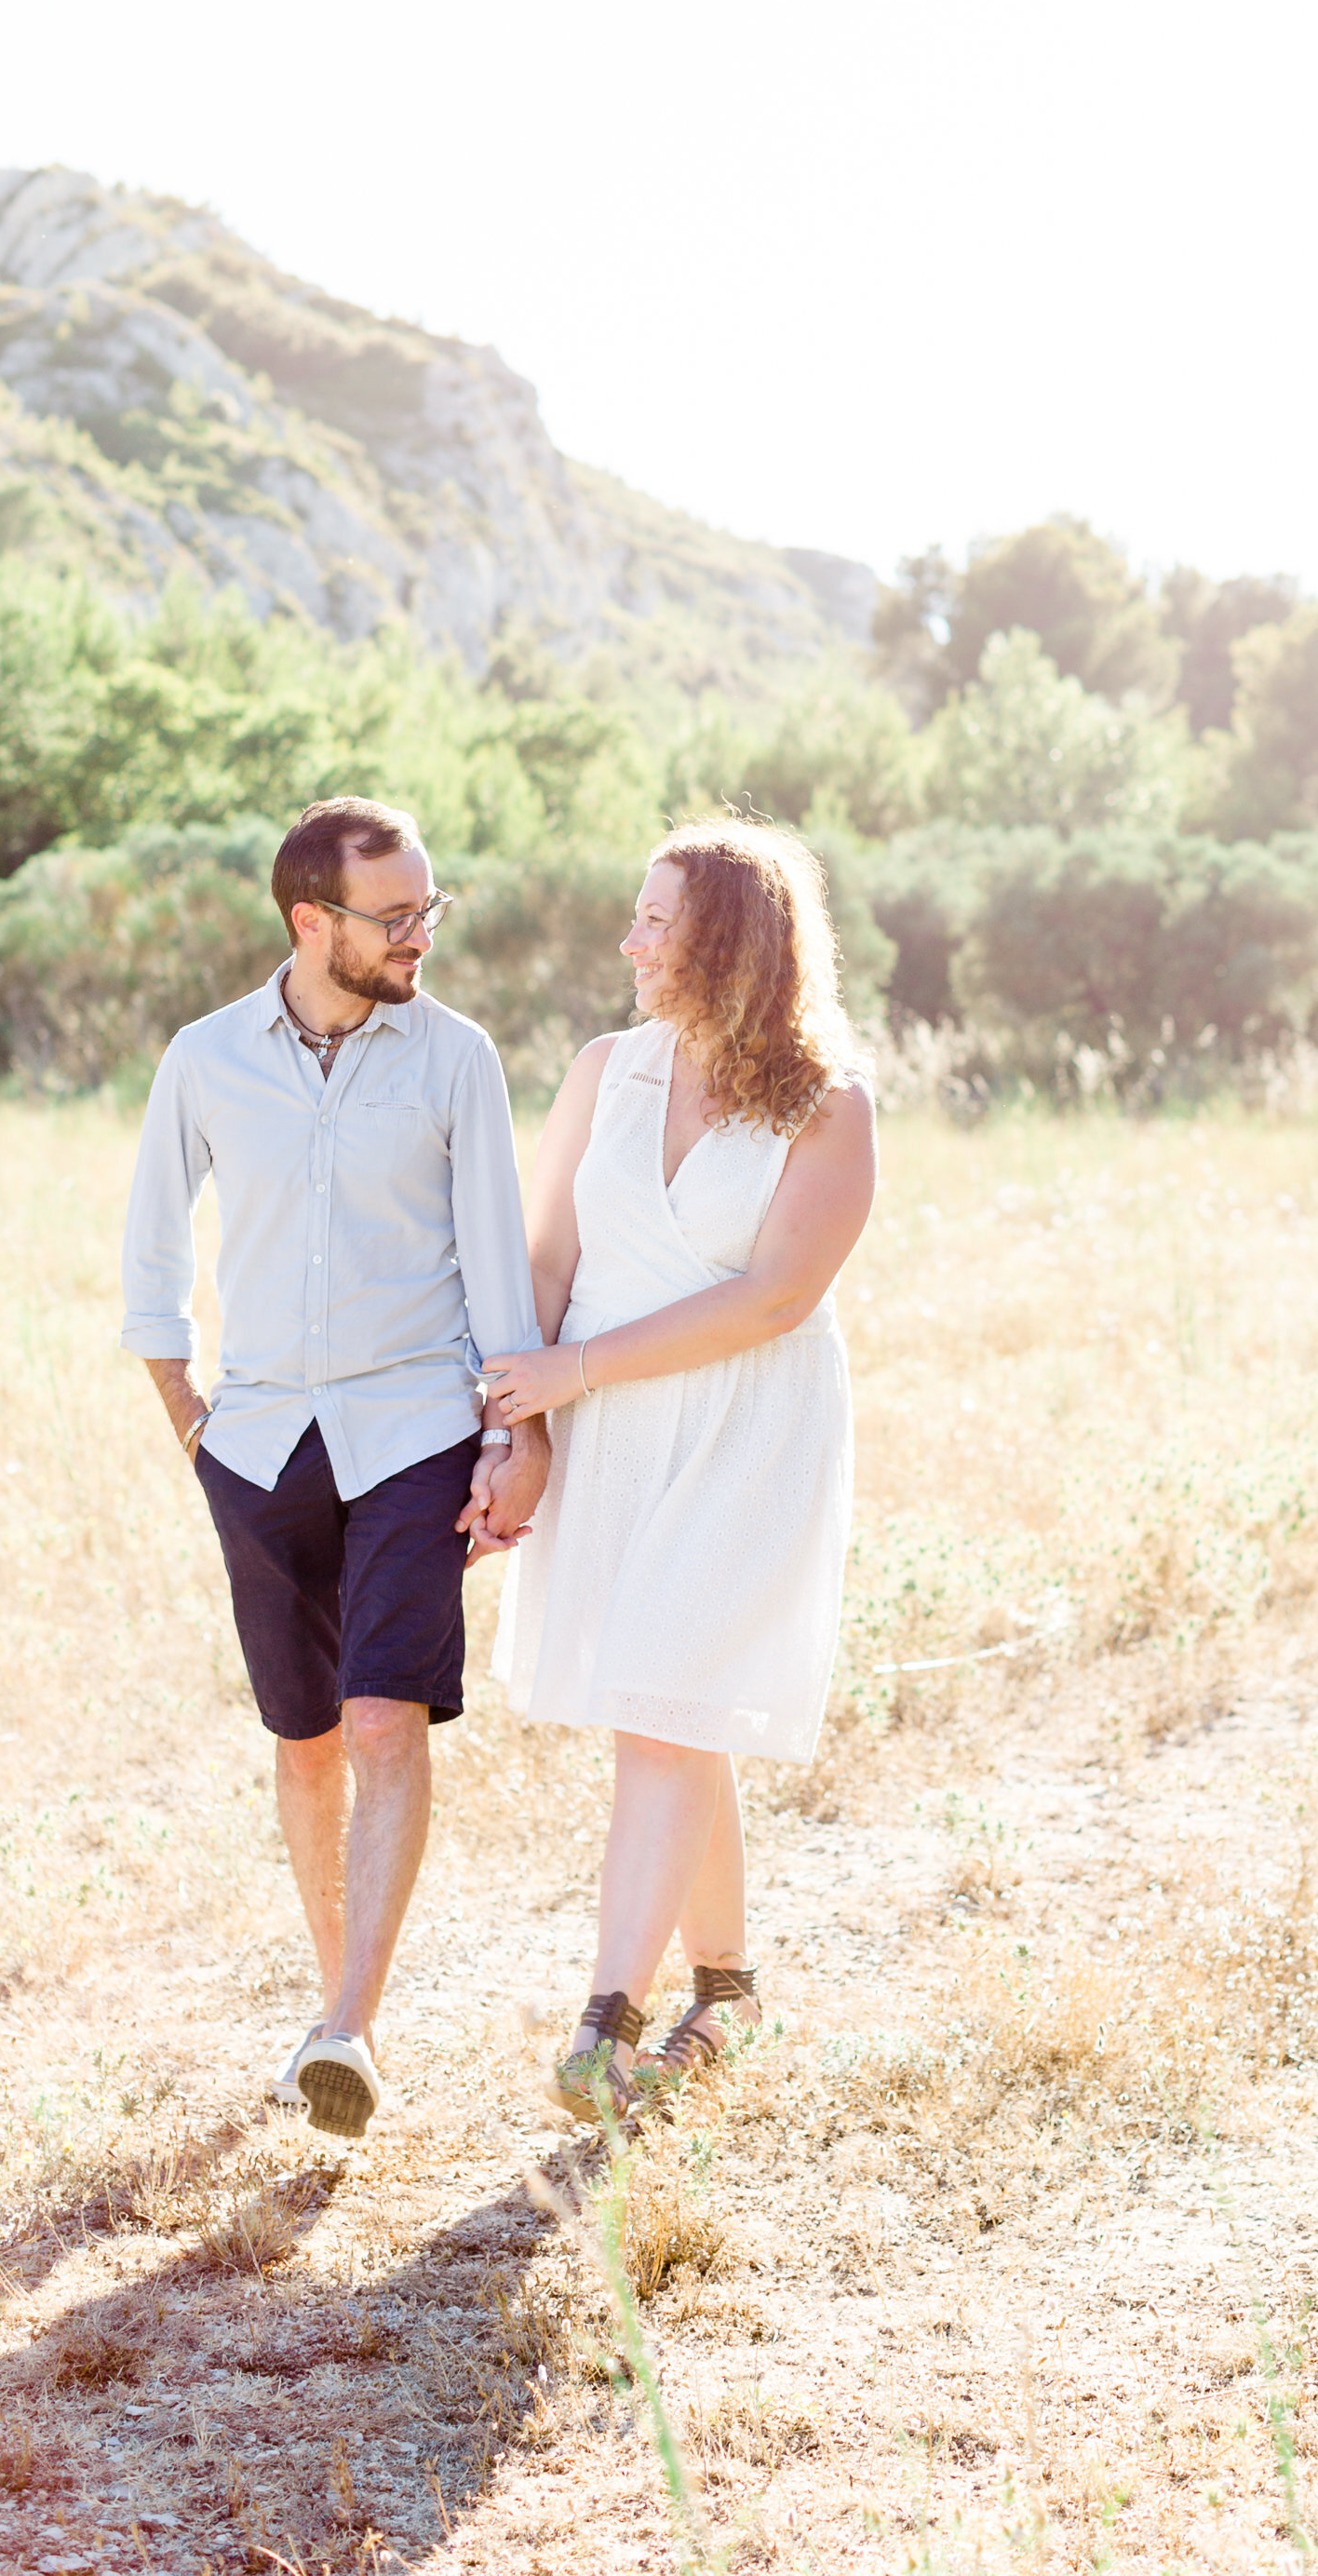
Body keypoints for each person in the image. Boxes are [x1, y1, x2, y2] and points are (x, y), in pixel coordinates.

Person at [118, 796, 548, 2139]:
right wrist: (187, 1411)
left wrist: (512, 1430)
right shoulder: (204, 1058)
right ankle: (334, 2012)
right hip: (255, 1445)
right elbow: (149, 1245)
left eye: (431, 907)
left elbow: (496, 1252)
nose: (422, 933)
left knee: (380, 1722)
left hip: (414, 1431)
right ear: (313, 921)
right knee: (304, 1746)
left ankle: (348, 2024)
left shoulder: (454, 1058)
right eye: (396, 913)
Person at [477, 820, 876, 2123]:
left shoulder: (828, 1103)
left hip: (745, 1431)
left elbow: (773, 1300)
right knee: (670, 1703)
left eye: (655, 920)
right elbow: (543, 1262)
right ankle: (728, 1990)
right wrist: (520, 1428)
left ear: (728, 943)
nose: (629, 941)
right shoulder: (606, 1069)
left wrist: (578, 1376)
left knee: (659, 1712)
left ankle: (606, 2020)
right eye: (636, 915)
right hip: (603, 1424)